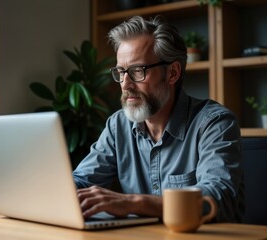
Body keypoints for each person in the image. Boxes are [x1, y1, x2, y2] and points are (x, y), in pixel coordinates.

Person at [73, 15, 244, 223]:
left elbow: (217, 198)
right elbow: (82, 180)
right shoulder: (118, 125)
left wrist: (132, 203)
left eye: (138, 70)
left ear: (172, 73)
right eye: (121, 72)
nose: (125, 84)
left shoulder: (214, 123)